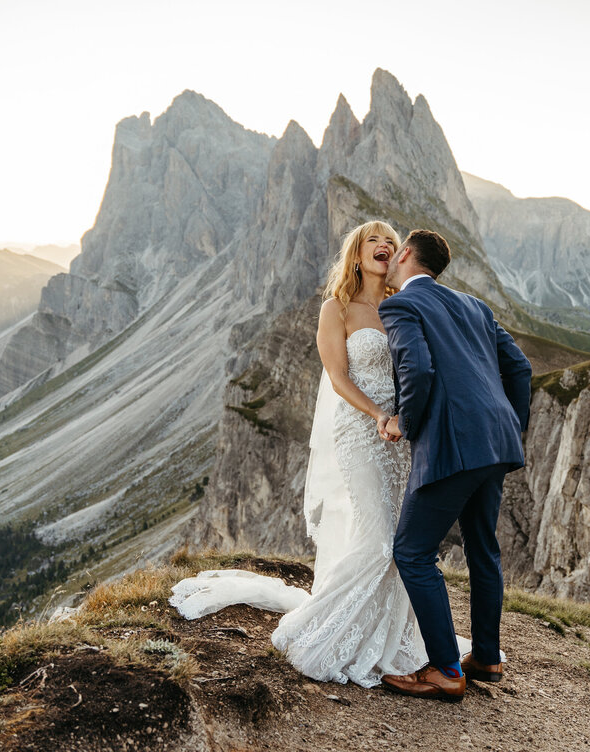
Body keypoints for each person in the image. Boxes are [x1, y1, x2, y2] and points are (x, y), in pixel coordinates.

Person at [170, 220, 427, 687]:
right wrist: (377, 415)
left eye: (392, 241)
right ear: (356, 254)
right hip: (361, 430)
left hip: (399, 440)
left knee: (398, 539)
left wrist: (404, 420)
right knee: (377, 539)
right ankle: (320, 631)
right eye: (375, 240)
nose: (386, 246)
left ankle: (385, 636)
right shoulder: (338, 308)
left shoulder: (400, 306)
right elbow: (338, 378)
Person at [375, 229, 532, 703]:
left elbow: (417, 369)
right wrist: (508, 424)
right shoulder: (474, 305)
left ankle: (445, 668)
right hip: (495, 443)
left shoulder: (400, 306)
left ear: (404, 254)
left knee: (412, 551)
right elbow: (520, 367)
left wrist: (408, 422)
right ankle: (486, 656)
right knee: (483, 548)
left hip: (452, 443)